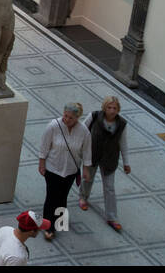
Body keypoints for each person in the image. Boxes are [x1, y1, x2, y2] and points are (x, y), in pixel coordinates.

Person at [38, 102, 93, 240]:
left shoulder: (83, 131)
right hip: (53, 168)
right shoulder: (53, 126)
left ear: (77, 118)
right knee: (51, 197)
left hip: (71, 170)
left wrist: (86, 169)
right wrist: (42, 163)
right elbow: (44, 146)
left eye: (71, 118)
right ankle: (48, 226)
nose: (67, 119)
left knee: (63, 197)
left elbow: (87, 151)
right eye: (65, 116)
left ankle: (60, 222)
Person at [81, 96, 129, 232]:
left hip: (110, 159)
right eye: (109, 107)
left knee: (110, 188)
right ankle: (83, 197)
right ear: (104, 107)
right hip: (93, 154)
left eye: (115, 108)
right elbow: (83, 131)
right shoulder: (94, 116)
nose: (112, 111)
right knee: (87, 178)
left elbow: (123, 144)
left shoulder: (122, 124)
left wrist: (126, 163)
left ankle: (112, 217)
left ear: (118, 109)